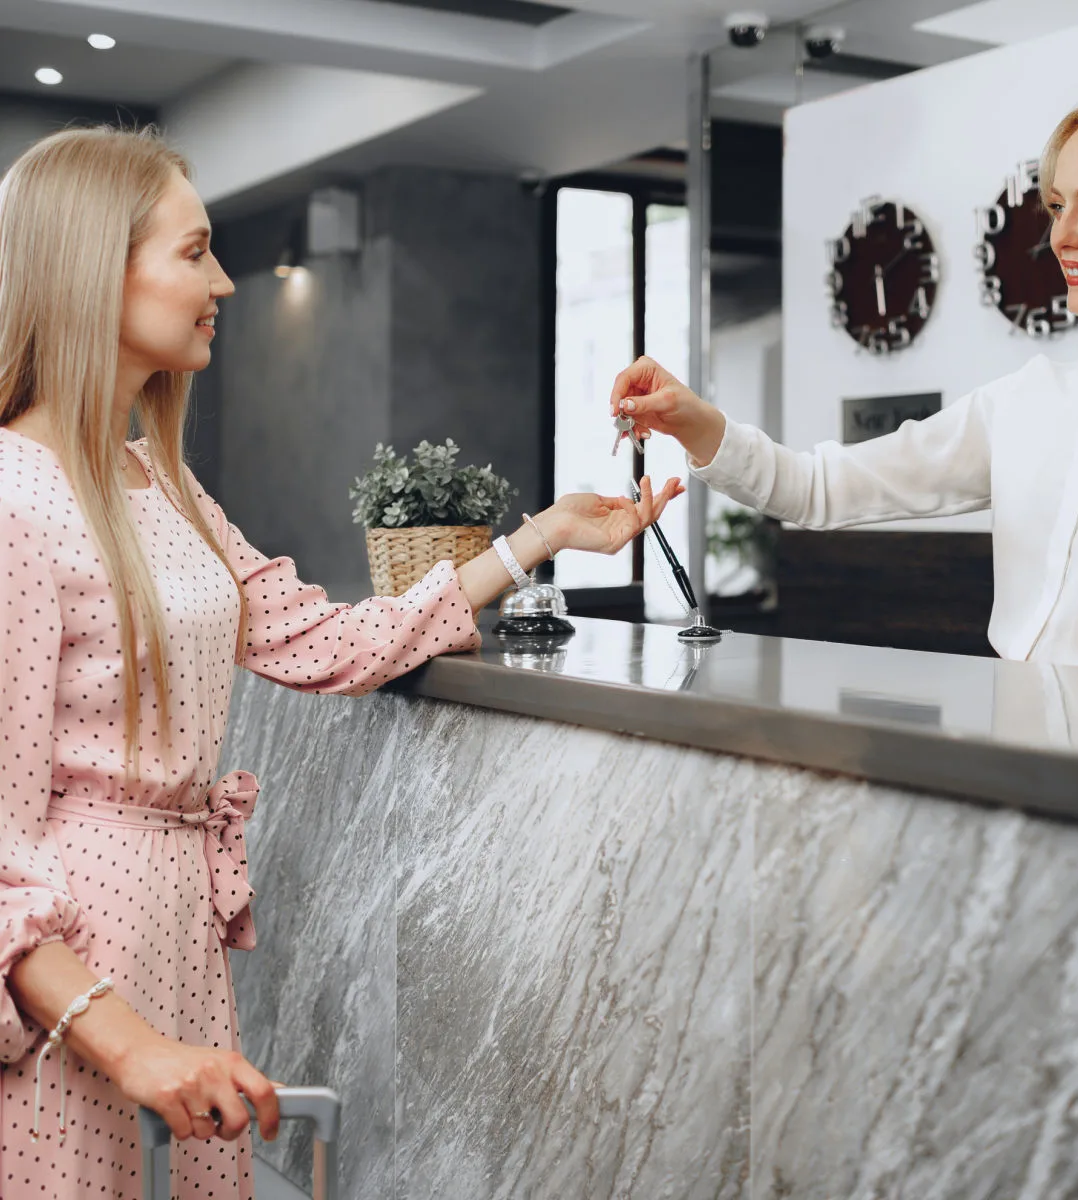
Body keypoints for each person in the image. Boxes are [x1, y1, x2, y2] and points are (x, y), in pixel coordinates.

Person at [0, 127, 683, 1199]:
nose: (222, 280)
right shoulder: (9, 497)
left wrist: (534, 540)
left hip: (177, 926)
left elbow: (318, 638)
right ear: (94, 265)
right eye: (193, 252)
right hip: (75, 966)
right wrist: (124, 1042)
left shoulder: (158, 482)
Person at [610, 88, 1078, 674]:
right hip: (1020, 753)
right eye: (1055, 207)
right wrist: (695, 421)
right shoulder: (1026, 401)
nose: (1061, 236)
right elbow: (816, 488)